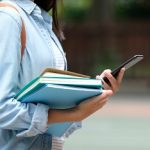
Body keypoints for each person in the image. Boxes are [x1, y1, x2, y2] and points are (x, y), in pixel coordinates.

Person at [0, 0, 125, 149]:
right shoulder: (9, 18)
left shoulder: (40, 19)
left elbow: (53, 102)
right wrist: (74, 114)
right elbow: (3, 108)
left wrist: (96, 90)